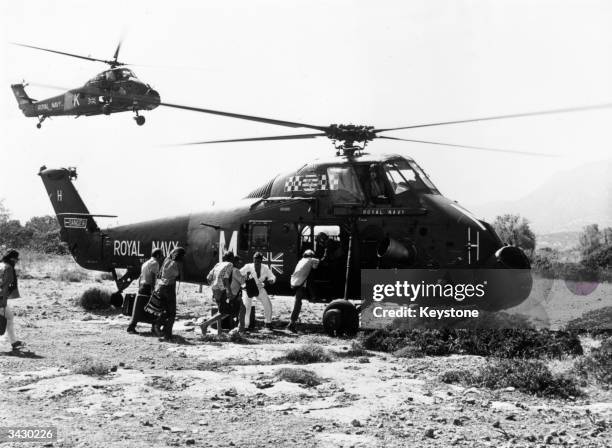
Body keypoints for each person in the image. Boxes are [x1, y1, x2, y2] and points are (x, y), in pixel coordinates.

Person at [127, 248, 164, 335]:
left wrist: (139, 287)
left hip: (142, 287)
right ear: (158, 255)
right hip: (148, 287)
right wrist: (153, 289)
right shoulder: (155, 263)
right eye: (161, 255)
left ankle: (131, 327)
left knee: (138, 308)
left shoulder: (145, 263)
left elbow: (141, 276)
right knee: (153, 307)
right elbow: (152, 276)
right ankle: (154, 328)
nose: (162, 257)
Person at [154, 247, 185, 341]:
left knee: (165, 310)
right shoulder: (177, 263)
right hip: (169, 288)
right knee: (172, 313)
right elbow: (180, 276)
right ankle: (167, 335)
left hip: (161, 287)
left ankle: (158, 325)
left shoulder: (166, 260)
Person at [240, 252, 276, 332]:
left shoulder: (265, 268)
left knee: (268, 303)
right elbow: (238, 274)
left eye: (259, 261)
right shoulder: (248, 266)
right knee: (247, 306)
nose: (257, 263)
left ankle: (268, 323)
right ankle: (245, 326)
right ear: (253, 260)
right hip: (248, 289)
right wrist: (243, 283)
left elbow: (272, 276)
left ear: (261, 261)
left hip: (259, 287)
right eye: (255, 261)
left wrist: (271, 280)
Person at [200, 252, 234, 336]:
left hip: (214, 288)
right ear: (231, 258)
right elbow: (226, 278)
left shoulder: (218, 264)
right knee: (225, 312)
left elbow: (208, 277)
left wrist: (213, 285)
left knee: (220, 310)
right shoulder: (230, 264)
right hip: (221, 288)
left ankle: (219, 332)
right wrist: (229, 291)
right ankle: (205, 324)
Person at [286, 249, 319, 333]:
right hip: (301, 284)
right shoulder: (311, 260)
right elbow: (316, 266)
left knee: (298, 302)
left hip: (295, 283)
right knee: (297, 303)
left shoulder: (301, 261)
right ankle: (292, 323)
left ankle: (292, 322)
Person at [0, 249, 23, 351]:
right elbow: (4, 286)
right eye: (15, 259)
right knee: (9, 317)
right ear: (12, 259)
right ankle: (13, 342)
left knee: (9, 317)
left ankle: (13, 342)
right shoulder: (8, 268)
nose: (16, 262)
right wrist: (3, 300)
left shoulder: (0, 265)